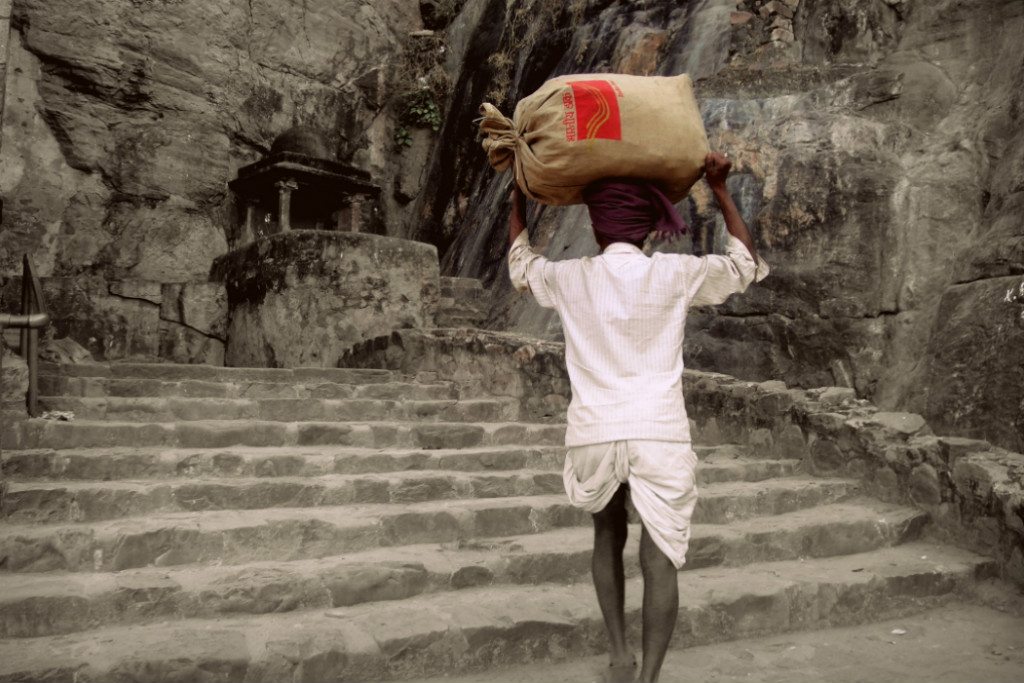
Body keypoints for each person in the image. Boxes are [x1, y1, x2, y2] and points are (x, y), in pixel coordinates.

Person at [507, 152, 768, 683]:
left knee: (606, 537)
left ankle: (618, 655)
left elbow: (519, 264)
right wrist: (718, 188)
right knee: (661, 555)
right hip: (659, 433)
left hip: (595, 433)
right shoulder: (673, 273)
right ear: (650, 228)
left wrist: (517, 193)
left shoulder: (570, 277)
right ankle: (647, 679)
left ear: (596, 226)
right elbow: (743, 265)